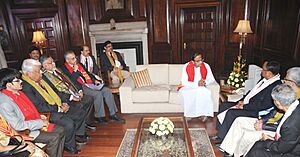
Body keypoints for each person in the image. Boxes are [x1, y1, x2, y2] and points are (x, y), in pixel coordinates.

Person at [218, 67, 300, 157]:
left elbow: (285, 127)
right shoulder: (287, 93)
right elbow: (274, 112)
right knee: (239, 120)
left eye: (286, 79)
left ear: (292, 83)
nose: (283, 81)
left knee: (247, 135)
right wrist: (262, 120)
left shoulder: (293, 101)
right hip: (269, 122)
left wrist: (264, 126)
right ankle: (228, 151)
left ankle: (236, 155)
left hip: (275, 130)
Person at [21, 59, 86, 154]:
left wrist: (65, 101)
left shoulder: (42, 79)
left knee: (78, 111)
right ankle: (69, 145)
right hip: (46, 113)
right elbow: (39, 107)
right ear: (29, 74)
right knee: (68, 123)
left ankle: (77, 135)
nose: (41, 73)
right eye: (38, 71)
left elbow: (56, 92)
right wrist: (58, 108)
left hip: (56, 105)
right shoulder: (26, 87)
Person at [0, 68, 64, 157]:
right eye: (17, 80)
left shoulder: (17, 93)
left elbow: (26, 111)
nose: (21, 81)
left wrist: (39, 116)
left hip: (30, 123)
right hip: (23, 132)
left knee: (62, 130)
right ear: (9, 85)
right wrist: (40, 123)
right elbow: (18, 126)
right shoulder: (5, 103)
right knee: (54, 137)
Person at [213, 61, 282, 140]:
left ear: (269, 73)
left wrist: (244, 106)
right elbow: (252, 93)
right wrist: (241, 101)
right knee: (224, 105)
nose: (261, 71)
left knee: (231, 113)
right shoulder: (264, 79)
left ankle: (223, 138)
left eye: (263, 70)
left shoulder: (275, 86)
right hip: (248, 104)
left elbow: (264, 105)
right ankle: (220, 132)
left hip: (256, 111)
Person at [61, 50, 125, 123]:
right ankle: (99, 116)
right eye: (72, 59)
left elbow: (88, 73)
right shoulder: (64, 69)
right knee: (98, 94)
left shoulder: (79, 64)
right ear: (67, 60)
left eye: (75, 57)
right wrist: (75, 70)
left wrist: (94, 80)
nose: (75, 60)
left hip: (89, 83)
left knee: (107, 90)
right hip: (80, 87)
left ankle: (113, 114)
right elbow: (71, 81)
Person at [40, 54, 96, 131]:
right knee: (79, 105)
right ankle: (79, 131)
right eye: (50, 62)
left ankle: (87, 122)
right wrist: (71, 97)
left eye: (53, 61)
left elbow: (71, 81)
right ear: (45, 66)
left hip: (73, 91)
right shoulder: (45, 77)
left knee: (89, 99)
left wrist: (79, 90)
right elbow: (56, 92)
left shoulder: (58, 70)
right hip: (64, 98)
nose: (53, 63)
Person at [246, 84, 300, 157]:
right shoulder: (296, 106)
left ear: (277, 103)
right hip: (290, 144)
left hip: (293, 153)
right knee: (258, 145)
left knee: (256, 152)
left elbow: (281, 148)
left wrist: (268, 140)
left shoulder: (290, 124)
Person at [178, 51, 216, 122]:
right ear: (192, 62)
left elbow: (211, 78)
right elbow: (184, 82)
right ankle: (189, 114)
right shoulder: (186, 66)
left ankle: (203, 114)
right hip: (188, 86)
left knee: (205, 92)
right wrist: (196, 84)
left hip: (201, 86)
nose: (201, 62)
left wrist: (205, 82)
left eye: (201, 60)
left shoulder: (206, 66)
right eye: (198, 61)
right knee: (188, 93)